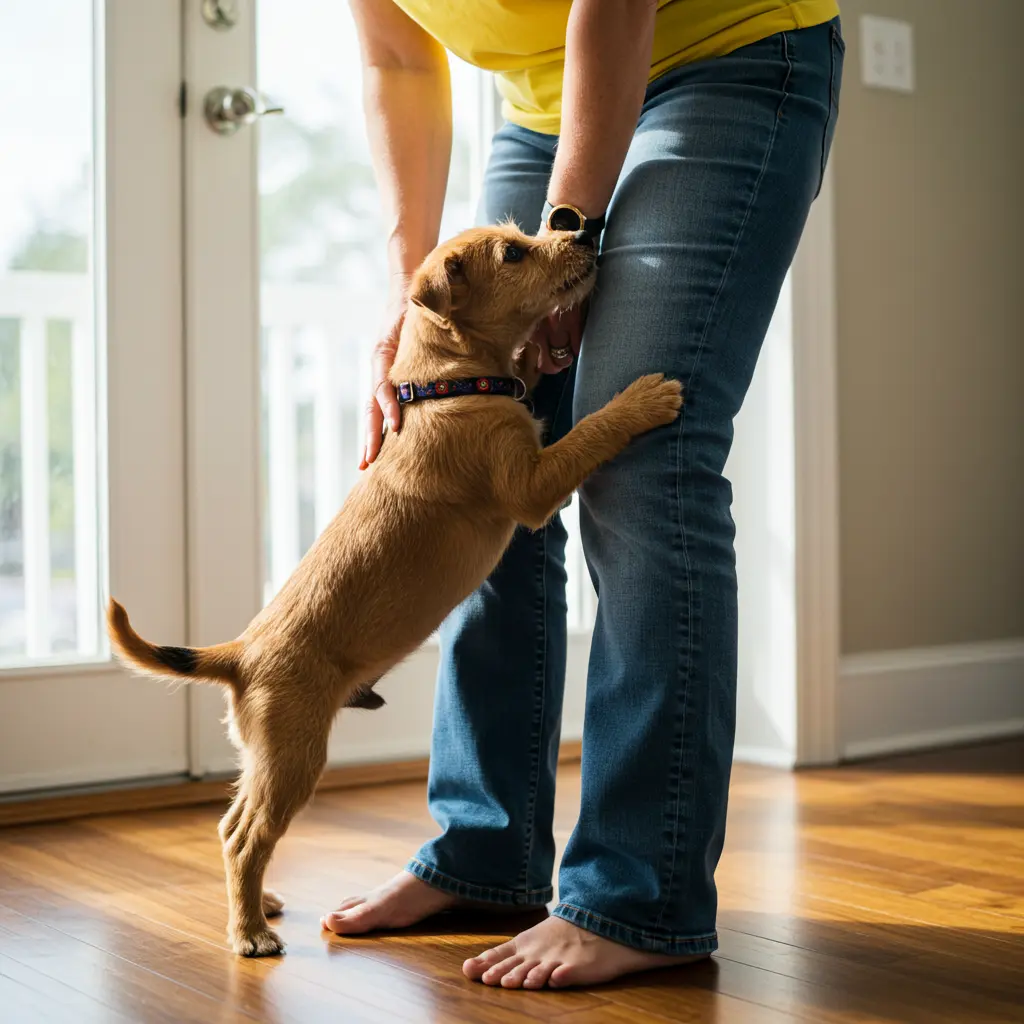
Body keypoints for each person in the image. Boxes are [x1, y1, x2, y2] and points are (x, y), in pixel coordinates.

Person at [322, 0, 844, 990]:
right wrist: (408, 296)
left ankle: (637, 892)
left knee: (645, 456)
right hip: (539, 109)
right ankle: (485, 847)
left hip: (727, 59)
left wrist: (567, 235)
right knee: (463, 450)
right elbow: (396, 59)